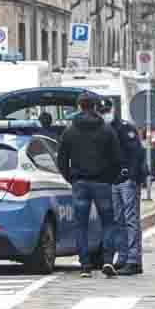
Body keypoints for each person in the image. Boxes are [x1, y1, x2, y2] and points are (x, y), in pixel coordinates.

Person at [56, 93, 122, 278]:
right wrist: (110, 177)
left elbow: (61, 160)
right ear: (95, 107)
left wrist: (71, 178)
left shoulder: (69, 131)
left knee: (81, 225)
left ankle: (85, 265)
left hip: (80, 183)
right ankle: (108, 260)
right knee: (108, 223)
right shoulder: (107, 130)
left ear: (79, 107)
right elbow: (117, 159)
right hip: (102, 183)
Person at [100, 99, 144, 276]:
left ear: (113, 110)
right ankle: (123, 257)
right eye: (101, 111)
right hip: (114, 180)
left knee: (130, 219)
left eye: (106, 111)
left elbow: (136, 153)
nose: (104, 114)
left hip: (127, 180)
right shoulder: (104, 130)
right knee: (119, 220)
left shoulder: (125, 128)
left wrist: (131, 176)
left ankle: (134, 260)